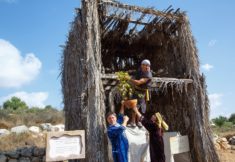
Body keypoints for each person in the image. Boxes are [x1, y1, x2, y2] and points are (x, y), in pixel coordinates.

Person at [128, 59, 153, 127]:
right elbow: (135, 75)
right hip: (136, 90)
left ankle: (137, 121)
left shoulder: (148, 74)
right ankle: (134, 122)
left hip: (141, 92)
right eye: (142, 65)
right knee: (134, 105)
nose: (142, 66)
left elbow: (138, 82)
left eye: (144, 65)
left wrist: (128, 78)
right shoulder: (140, 70)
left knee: (136, 106)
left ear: (147, 66)